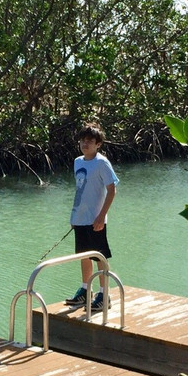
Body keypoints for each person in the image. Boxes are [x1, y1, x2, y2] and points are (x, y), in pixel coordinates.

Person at [64, 124, 119, 312]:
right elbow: (80, 190)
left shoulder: (102, 163)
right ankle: (86, 290)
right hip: (79, 218)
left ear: (98, 144)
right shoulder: (78, 161)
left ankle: (105, 294)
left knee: (99, 257)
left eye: (89, 141)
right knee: (83, 255)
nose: (85, 144)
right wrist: (74, 215)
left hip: (96, 220)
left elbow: (112, 190)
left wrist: (101, 216)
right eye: (83, 141)